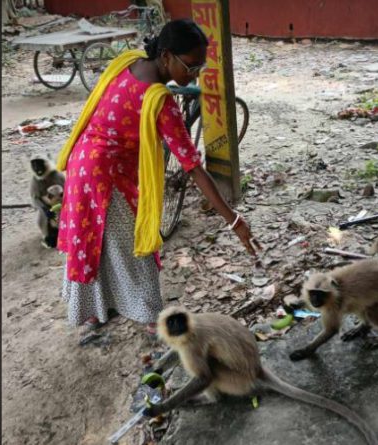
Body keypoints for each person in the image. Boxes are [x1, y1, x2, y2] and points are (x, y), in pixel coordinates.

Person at [54, 19, 259, 344]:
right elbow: (193, 167)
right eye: (191, 66)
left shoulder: (129, 64)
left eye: (199, 67)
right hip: (105, 177)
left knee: (94, 242)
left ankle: (96, 309)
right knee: (137, 247)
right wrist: (233, 219)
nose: (195, 74)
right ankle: (152, 318)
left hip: (83, 165)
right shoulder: (160, 102)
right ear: (166, 56)